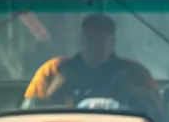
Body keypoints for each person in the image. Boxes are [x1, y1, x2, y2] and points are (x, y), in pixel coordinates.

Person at [22, 14, 161, 115]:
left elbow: (157, 110)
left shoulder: (135, 73)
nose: (92, 44)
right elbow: (29, 109)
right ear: (80, 40)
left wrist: (128, 89)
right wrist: (55, 88)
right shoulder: (54, 70)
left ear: (112, 43)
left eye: (100, 39)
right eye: (88, 38)